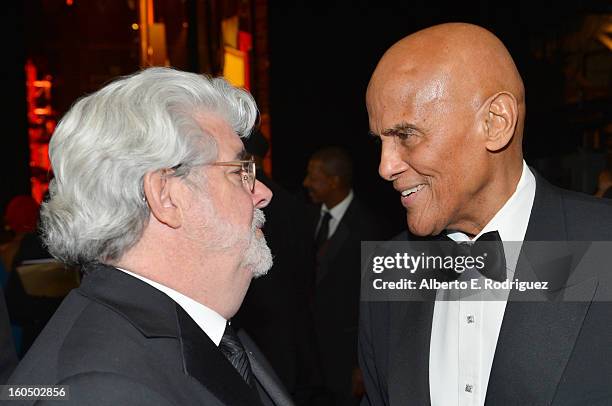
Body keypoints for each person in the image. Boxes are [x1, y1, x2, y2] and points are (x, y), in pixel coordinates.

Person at [8, 67, 294, 406]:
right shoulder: (100, 390)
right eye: (239, 172)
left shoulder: (201, 328)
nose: (263, 193)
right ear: (166, 196)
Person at [360, 23, 612, 405]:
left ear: (496, 122)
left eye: (406, 135)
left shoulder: (602, 244)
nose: (385, 166)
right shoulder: (392, 269)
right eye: (380, 141)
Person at [303, 147, 390, 406]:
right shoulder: (303, 216)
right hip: (309, 357)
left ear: (334, 181)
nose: (305, 183)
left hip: (345, 358)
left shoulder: (369, 228)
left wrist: (362, 365)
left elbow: (374, 302)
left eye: (313, 177)